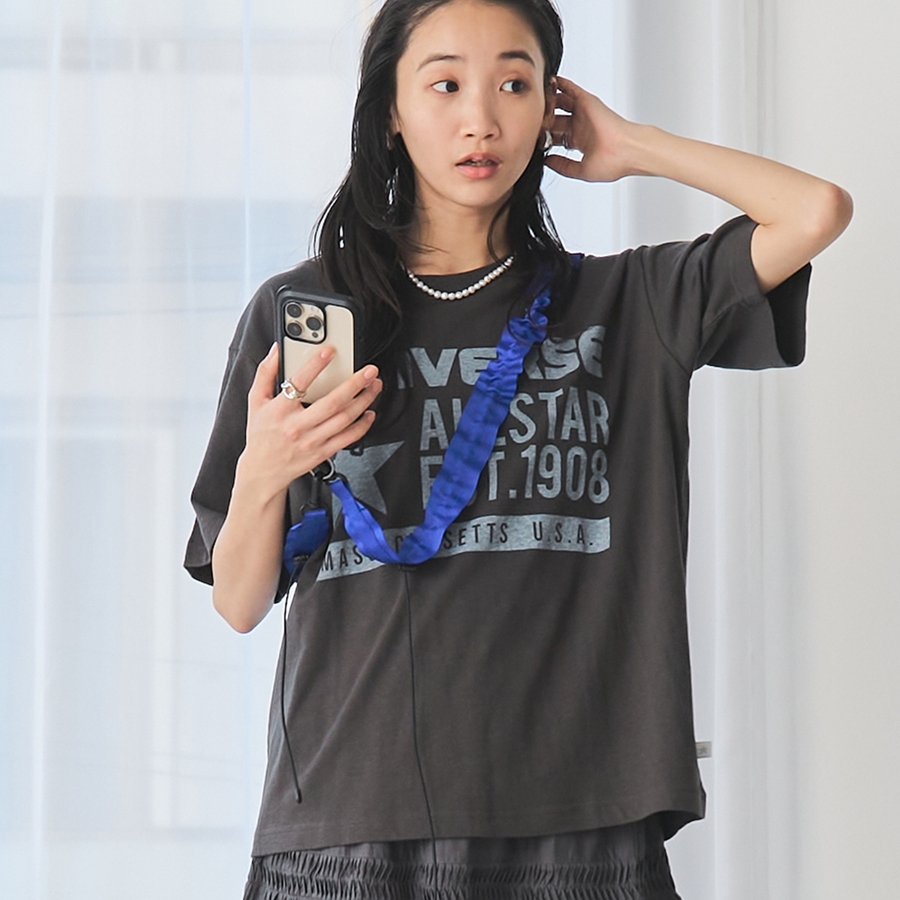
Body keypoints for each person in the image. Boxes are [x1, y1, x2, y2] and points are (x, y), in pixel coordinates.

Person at [185, 0, 852, 897]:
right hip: (351, 820)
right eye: (445, 85)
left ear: (550, 106)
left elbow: (815, 210)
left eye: (513, 83)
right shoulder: (305, 312)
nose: (481, 119)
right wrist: (263, 473)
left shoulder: (627, 303)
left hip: (577, 825)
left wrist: (634, 145)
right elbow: (237, 602)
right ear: (391, 108)